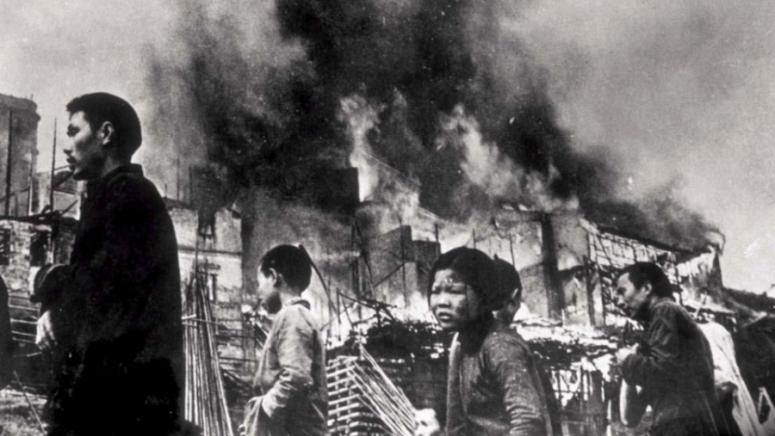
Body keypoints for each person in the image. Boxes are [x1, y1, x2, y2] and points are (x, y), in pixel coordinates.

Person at [33, 93, 183, 435]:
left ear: (106, 133)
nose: (67, 146)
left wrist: (57, 311)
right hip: (115, 402)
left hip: (120, 408)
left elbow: (104, 295)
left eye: (74, 131)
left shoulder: (129, 196)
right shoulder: (115, 195)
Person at [428, 247, 553, 436]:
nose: (442, 301)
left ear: (482, 295)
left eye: (455, 291)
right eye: (435, 291)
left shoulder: (501, 346)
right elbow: (456, 425)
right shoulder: (460, 344)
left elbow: (528, 422)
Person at [614, 262, 723, 436]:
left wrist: (628, 361)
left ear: (646, 288)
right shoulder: (658, 334)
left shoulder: (664, 310)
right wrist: (629, 366)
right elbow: (630, 417)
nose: (618, 302)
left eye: (622, 292)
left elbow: (662, 372)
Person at [242, 245, 327, 436]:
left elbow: (296, 377)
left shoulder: (293, 315)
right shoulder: (297, 316)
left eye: (260, 282)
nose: (258, 292)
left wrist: (260, 413)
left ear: (274, 277)